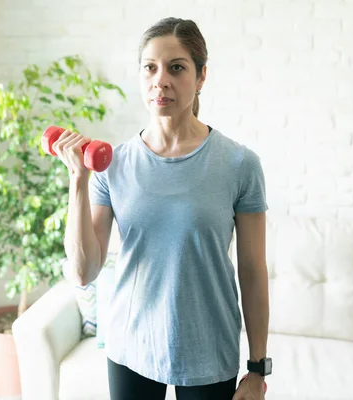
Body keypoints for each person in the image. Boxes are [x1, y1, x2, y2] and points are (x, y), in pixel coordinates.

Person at [54, 17, 271, 400]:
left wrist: (257, 369)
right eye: (150, 68)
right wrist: (78, 182)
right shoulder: (113, 165)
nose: (161, 80)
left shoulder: (239, 164)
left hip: (209, 348)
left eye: (176, 68)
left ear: (201, 76)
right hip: (130, 346)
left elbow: (253, 271)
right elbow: (82, 271)